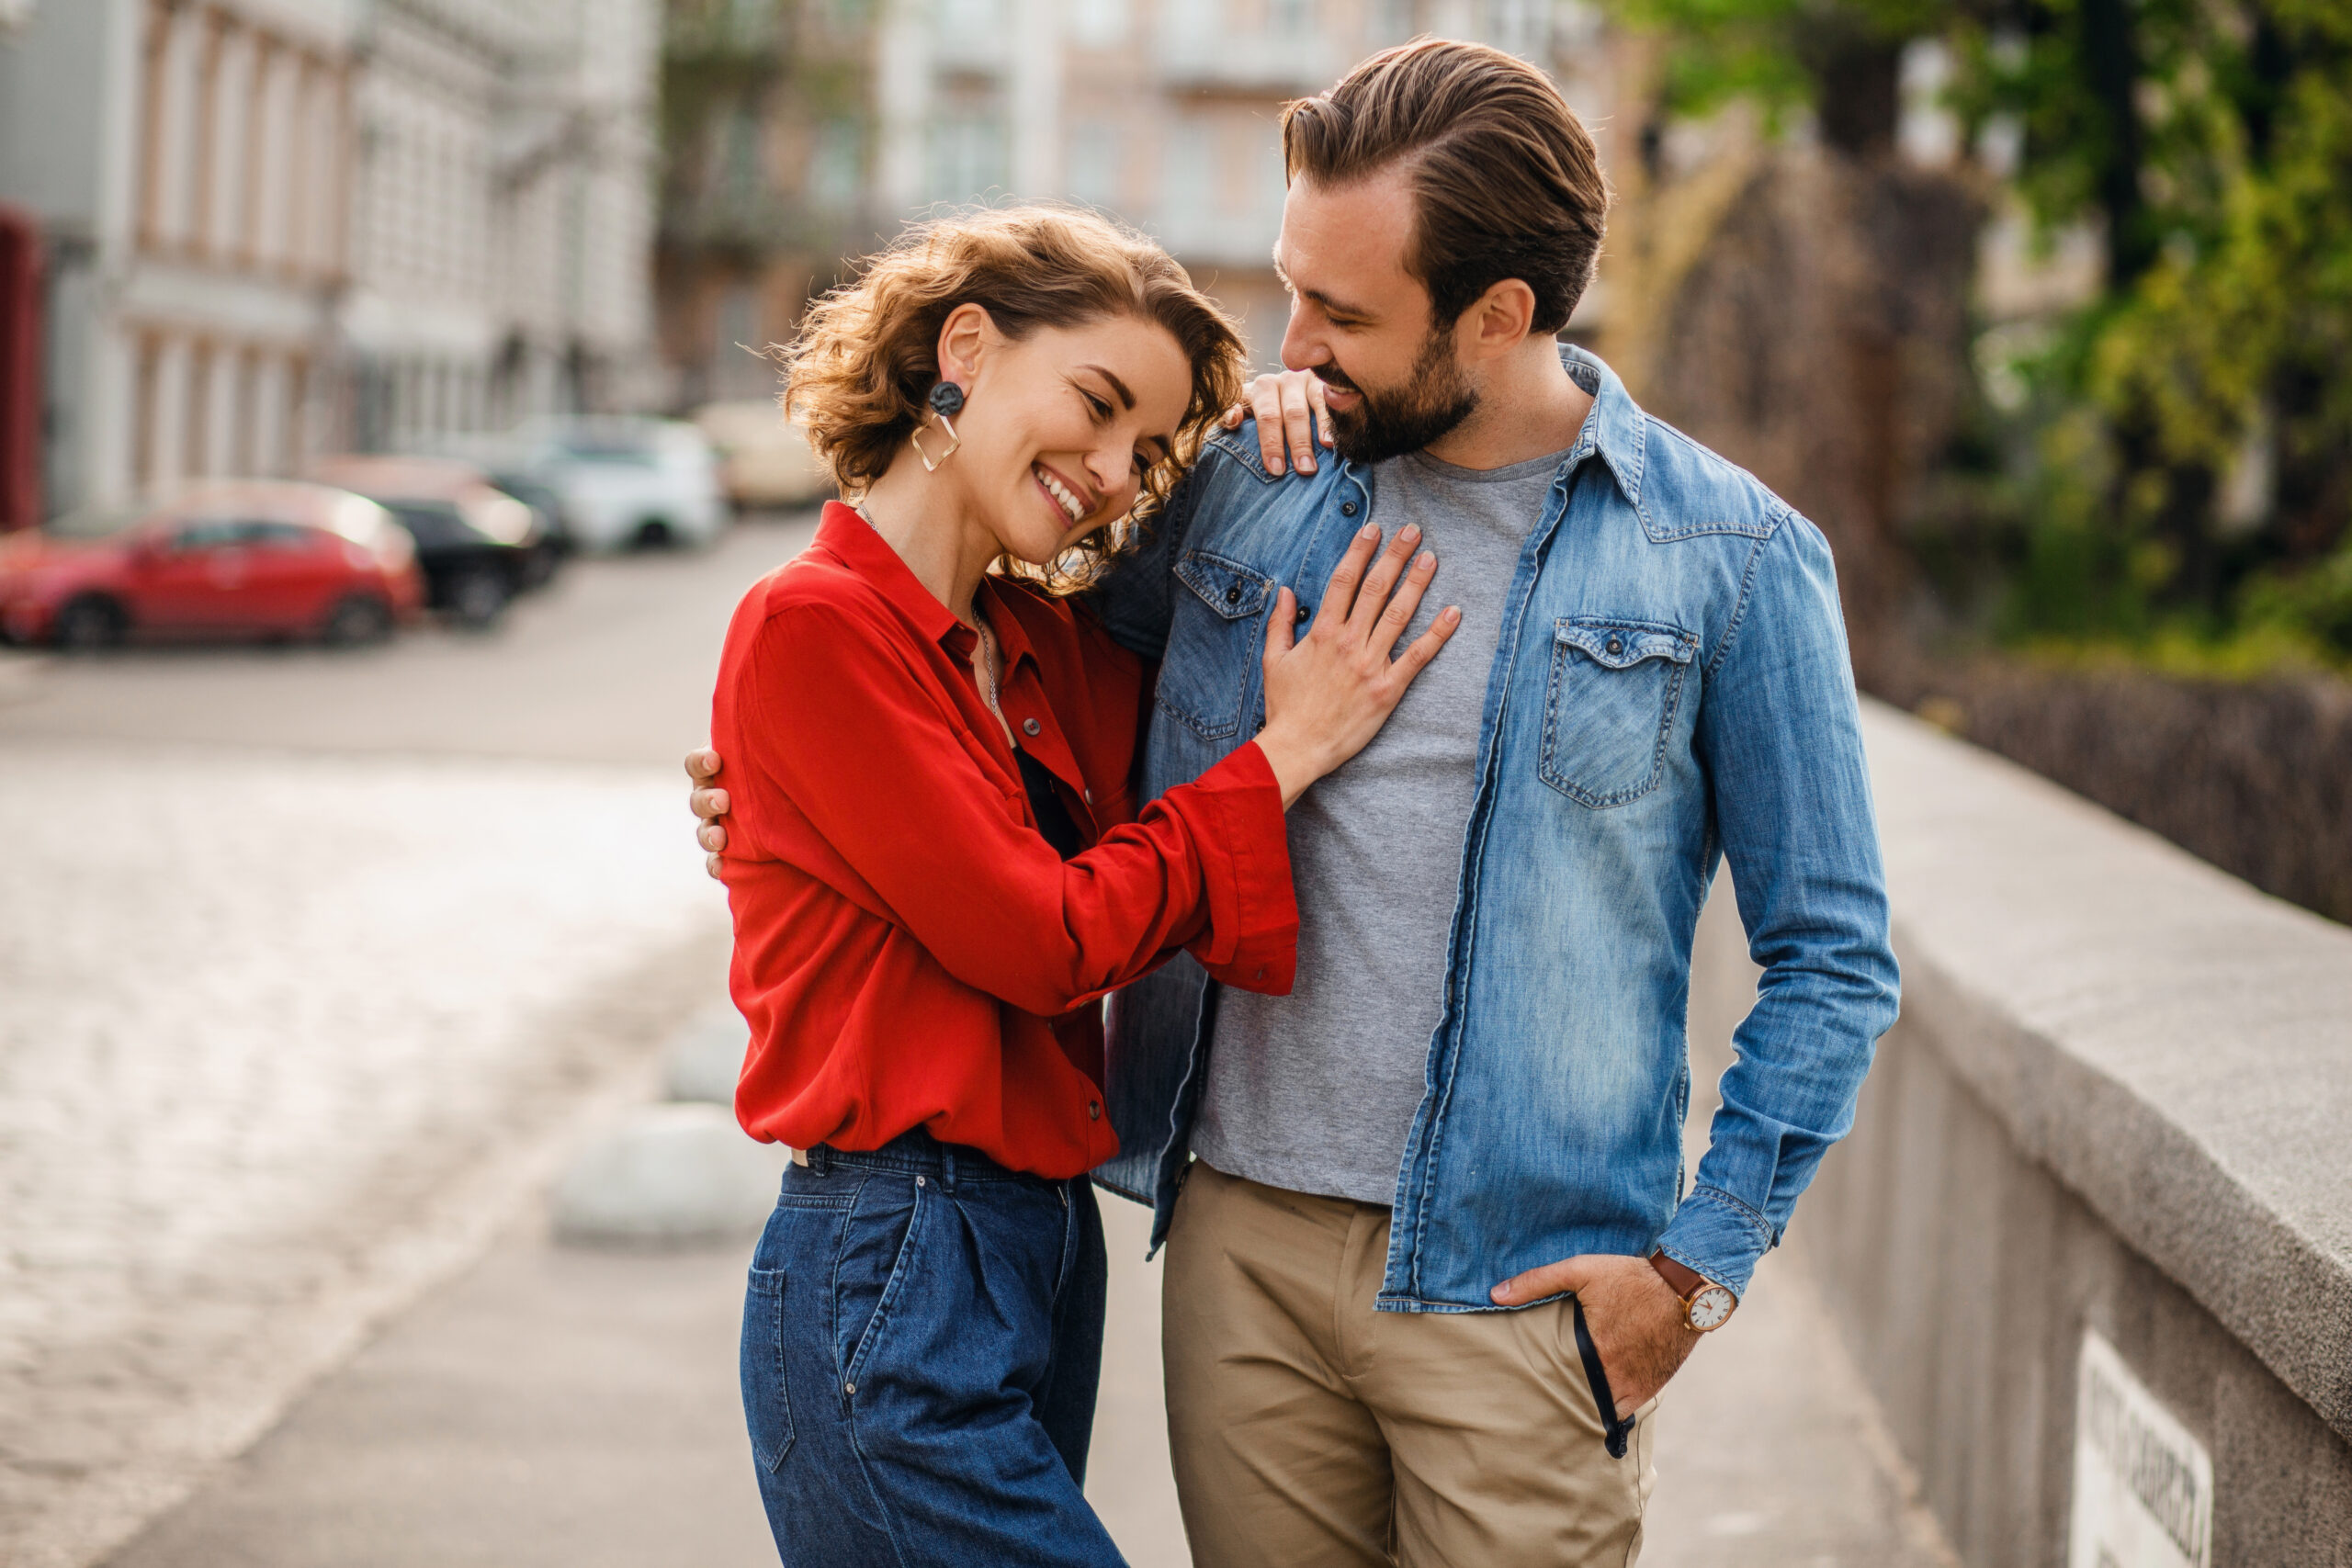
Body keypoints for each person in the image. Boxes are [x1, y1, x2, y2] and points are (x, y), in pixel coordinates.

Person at [695, 38, 1901, 1567]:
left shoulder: (1725, 557)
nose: (1296, 340)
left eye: (1343, 312)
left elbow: (1834, 958)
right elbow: (1002, 715)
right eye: (1291, 287)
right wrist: (761, 803)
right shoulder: (1246, 486)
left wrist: (1692, 1275)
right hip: (1238, 1266)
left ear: (1498, 316)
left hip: (1518, 1295)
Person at [705, 205, 1459, 1568]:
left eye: (1148, 448)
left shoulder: (1040, 645)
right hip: (890, 1253)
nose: (1114, 474)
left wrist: (1277, 428)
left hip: (1038, 1248)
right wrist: (1287, 751)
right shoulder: (810, 626)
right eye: (1100, 406)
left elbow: (1177, 792)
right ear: (970, 347)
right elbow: (1052, 937)